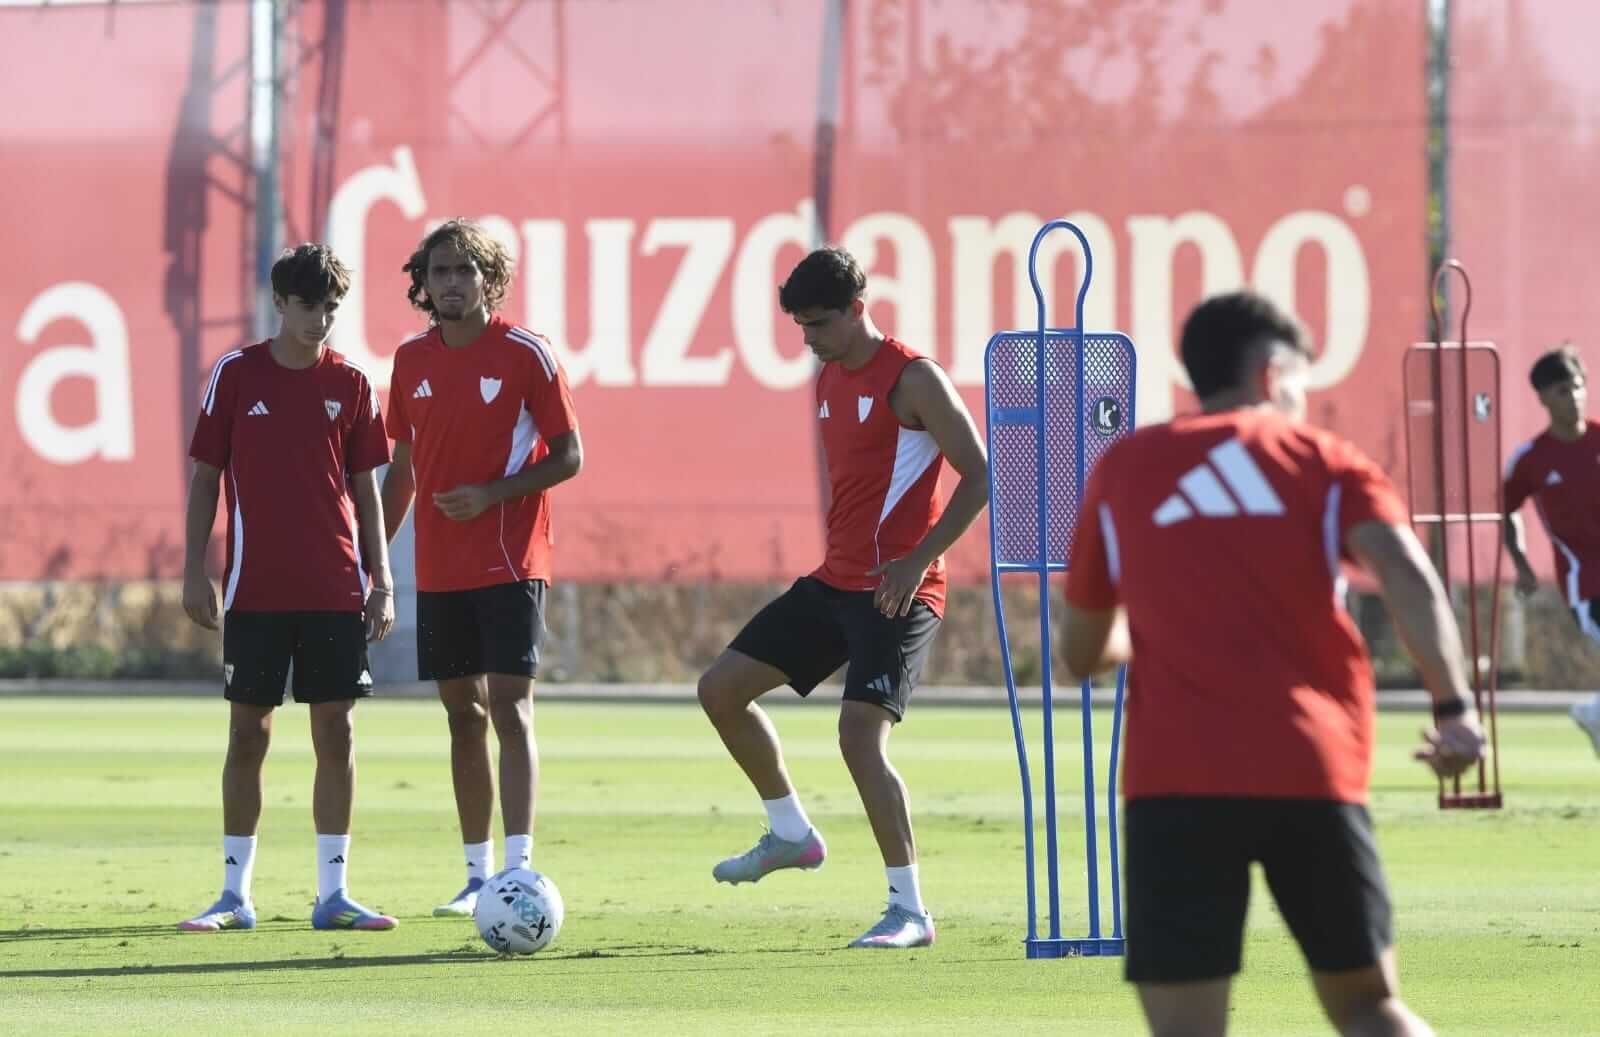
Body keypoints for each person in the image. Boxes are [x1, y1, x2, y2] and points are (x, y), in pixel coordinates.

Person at [1061, 292, 1486, 1036]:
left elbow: (1081, 653)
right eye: (1301, 382)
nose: (1302, 398)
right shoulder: (1324, 461)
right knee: (1367, 1007)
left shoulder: (1125, 467)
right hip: (1309, 768)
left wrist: (1157, 626)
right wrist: (1454, 708)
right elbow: (1409, 575)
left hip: (1175, 782)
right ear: (1269, 373)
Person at [697, 246, 990, 950]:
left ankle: (910, 908)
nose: (810, 339)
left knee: (858, 735)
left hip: (900, 589)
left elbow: (981, 474)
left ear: (859, 308)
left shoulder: (913, 377)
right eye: (800, 326)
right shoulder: (830, 374)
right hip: (836, 580)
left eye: (820, 323)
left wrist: (916, 562)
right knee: (720, 689)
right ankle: (791, 832)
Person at [178, 244, 398, 933]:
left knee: (337, 732)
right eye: (309, 305)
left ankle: (333, 894)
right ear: (280, 303)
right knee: (249, 734)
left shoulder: (354, 382)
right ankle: (234, 894)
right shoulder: (236, 374)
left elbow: (366, 491)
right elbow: (207, 475)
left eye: (332, 305)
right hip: (255, 589)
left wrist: (381, 578)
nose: (321, 318)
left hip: (335, 587)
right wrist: (194, 568)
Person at [381, 219, 583, 917]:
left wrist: (492, 494)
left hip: (510, 559)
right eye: (440, 271)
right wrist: (375, 562)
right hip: (440, 570)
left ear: (489, 279)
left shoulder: (527, 352)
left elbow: (569, 455)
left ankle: (519, 871)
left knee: (510, 707)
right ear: (423, 281)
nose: (453, 283)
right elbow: (402, 472)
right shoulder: (409, 362)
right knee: (461, 714)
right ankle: (476, 875)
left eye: (466, 270)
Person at [1502, 345, 1600, 753]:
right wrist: (1521, 563)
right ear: (1543, 397)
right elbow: (1506, 511)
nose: (1573, 396)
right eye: (1562, 390)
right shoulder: (1531, 459)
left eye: (1577, 386)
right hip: (1587, 581)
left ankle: (1593, 712)